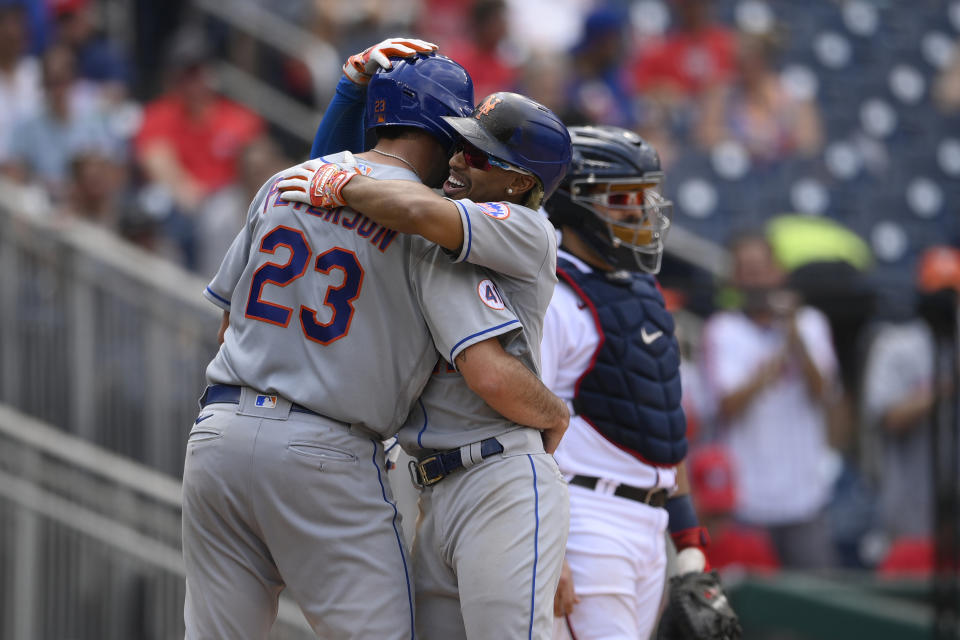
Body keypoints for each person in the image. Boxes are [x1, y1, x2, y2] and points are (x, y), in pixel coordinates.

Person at [182, 48, 569, 640]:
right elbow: (485, 368)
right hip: (328, 451)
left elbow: (227, 328)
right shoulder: (427, 231)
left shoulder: (290, 182)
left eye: (479, 150)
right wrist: (554, 414)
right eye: (460, 138)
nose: (462, 155)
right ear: (440, 130)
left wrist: (346, 97)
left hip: (218, 435)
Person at [535, 125, 709, 640]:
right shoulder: (550, 294)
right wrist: (548, 546)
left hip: (650, 525)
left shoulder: (641, 290)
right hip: (586, 520)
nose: (640, 211)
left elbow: (662, 425)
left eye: (646, 195)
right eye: (622, 198)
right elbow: (519, 433)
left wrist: (690, 540)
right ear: (573, 202)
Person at [700, 232, 839, 569]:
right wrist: (770, 367)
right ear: (735, 279)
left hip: (805, 498)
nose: (756, 279)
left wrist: (794, 336)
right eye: (746, 271)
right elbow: (726, 405)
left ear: (779, 272)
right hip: (746, 502)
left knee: (817, 605)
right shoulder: (722, 329)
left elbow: (826, 395)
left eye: (762, 269)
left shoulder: (811, 323)